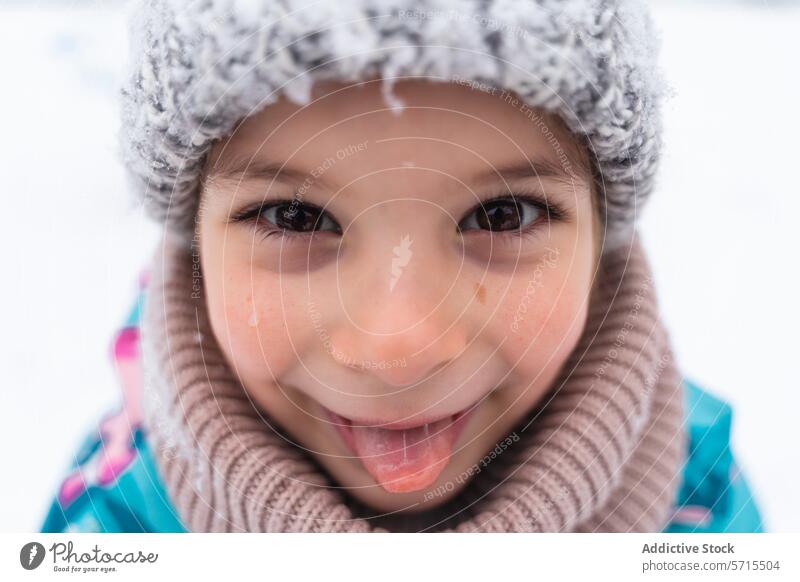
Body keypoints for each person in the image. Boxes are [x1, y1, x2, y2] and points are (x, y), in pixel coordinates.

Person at [42, 0, 763, 533]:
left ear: (602, 234)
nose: (399, 351)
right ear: (195, 240)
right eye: (295, 218)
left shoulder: (700, 495)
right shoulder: (111, 522)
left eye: (501, 215)